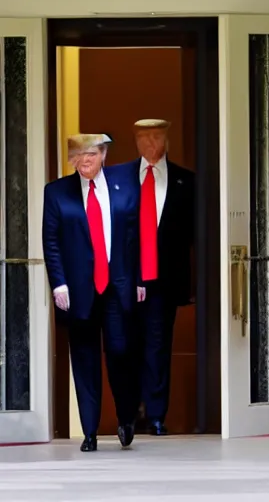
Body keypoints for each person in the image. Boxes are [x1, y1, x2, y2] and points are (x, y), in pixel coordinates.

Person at [42, 134, 143, 452]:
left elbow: (135, 237)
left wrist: (140, 279)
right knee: (84, 359)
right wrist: (58, 282)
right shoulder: (57, 192)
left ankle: (126, 417)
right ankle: (89, 431)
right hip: (78, 290)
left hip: (117, 287)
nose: (84, 160)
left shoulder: (124, 187)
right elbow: (52, 241)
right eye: (77, 155)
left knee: (120, 353)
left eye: (90, 154)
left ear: (104, 155)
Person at [127, 119, 195, 436]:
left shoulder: (186, 181)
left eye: (157, 135)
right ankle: (128, 411)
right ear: (136, 141)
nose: (151, 142)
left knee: (157, 347)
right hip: (125, 279)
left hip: (163, 281)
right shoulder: (119, 178)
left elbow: (196, 236)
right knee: (123, 345)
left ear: (167, 139)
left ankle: (155, 414)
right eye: (144, 136)